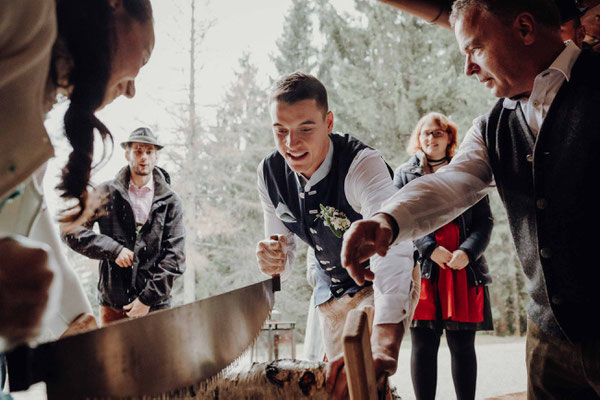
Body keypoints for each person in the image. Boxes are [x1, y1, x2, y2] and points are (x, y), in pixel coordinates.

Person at [342, 1, 600, 398]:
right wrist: (387, 221)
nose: (468, 68)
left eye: (474, 49)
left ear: (525, 28)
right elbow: (452, 184)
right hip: (548, 343)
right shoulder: (492, 125)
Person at [0, 0, 154, 346]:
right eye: (143, 57)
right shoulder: (26, 10)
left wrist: (75, 322)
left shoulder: (36, 94)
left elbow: (27, 209)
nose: (131, 90)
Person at [255, 72, 418, 399]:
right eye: (280, 131)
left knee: (369, 382)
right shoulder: (269, 173)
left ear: (328, 122)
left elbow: (395, 247)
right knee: (340, 389)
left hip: (377, 283)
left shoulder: (362, 164)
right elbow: (281, 263)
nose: (291, 143)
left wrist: (385, 340)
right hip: (329, 291)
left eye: (305, 128)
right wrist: (272, 261)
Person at [395, 112, 493, 400]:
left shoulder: (468, 171)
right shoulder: (404, 173)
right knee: (423, 346)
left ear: (450, 137)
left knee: (463, 347)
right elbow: (399, 219)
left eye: (438, 133)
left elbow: (484, 221)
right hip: (424, 270)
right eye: (425, 133)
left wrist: (468, 251)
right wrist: (428, 248)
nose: (431, 138)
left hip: (464, 270)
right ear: (418, 138)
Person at [63, 128, 186, 325]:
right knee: (112, 357)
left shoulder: (171, 200)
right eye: (138, 150)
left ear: (156, 156)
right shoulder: (104, 193)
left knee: (157, 357)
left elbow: (175, 257)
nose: (143, 157)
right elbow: (71, 230)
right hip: (113, 304)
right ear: (127, 154)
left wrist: (146, 300)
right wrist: (113, 250)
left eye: (149, 151)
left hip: (157, 306)